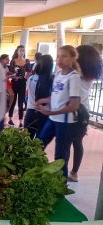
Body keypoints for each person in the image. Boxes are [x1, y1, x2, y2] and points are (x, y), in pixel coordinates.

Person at [36, 45, 82, 177]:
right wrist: (44, 100)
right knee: (38, 144)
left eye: (64, 56)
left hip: (65, 123)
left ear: (72, 58)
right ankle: (36, 173)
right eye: (58, 56)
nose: (60, 59)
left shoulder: (73, 77)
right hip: (53, 119)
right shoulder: (58, 74)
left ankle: (61, 185)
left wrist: (50, 113)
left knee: (60, 156)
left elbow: (74, 105)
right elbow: (56, 95)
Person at [68, 45, 102, 182]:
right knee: (77, 143)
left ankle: (63, 171)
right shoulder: (90, 74)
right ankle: (74, 173)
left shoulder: (76, 74)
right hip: (84, 112)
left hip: (72, 110)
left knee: (65, 142)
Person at [24, 54, 54, 139]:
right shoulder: (52, 80)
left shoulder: (31, 78)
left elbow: (27, 94)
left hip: (30, 112)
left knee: (26, 142)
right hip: (45, 113)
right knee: (40, 144)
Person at [8, 45, 32, 128]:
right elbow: (10, 73)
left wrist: (25, 77)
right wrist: (14, 76)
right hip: (14, 82)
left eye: (23, 50)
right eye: (21, 50)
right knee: (13, 101)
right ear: (17, 51)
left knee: (20, 103)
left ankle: (21, 121)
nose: (22, 52)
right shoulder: (13, 61)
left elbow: (29, 72)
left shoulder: (27, 61)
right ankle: (10, 119)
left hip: (22, 83)